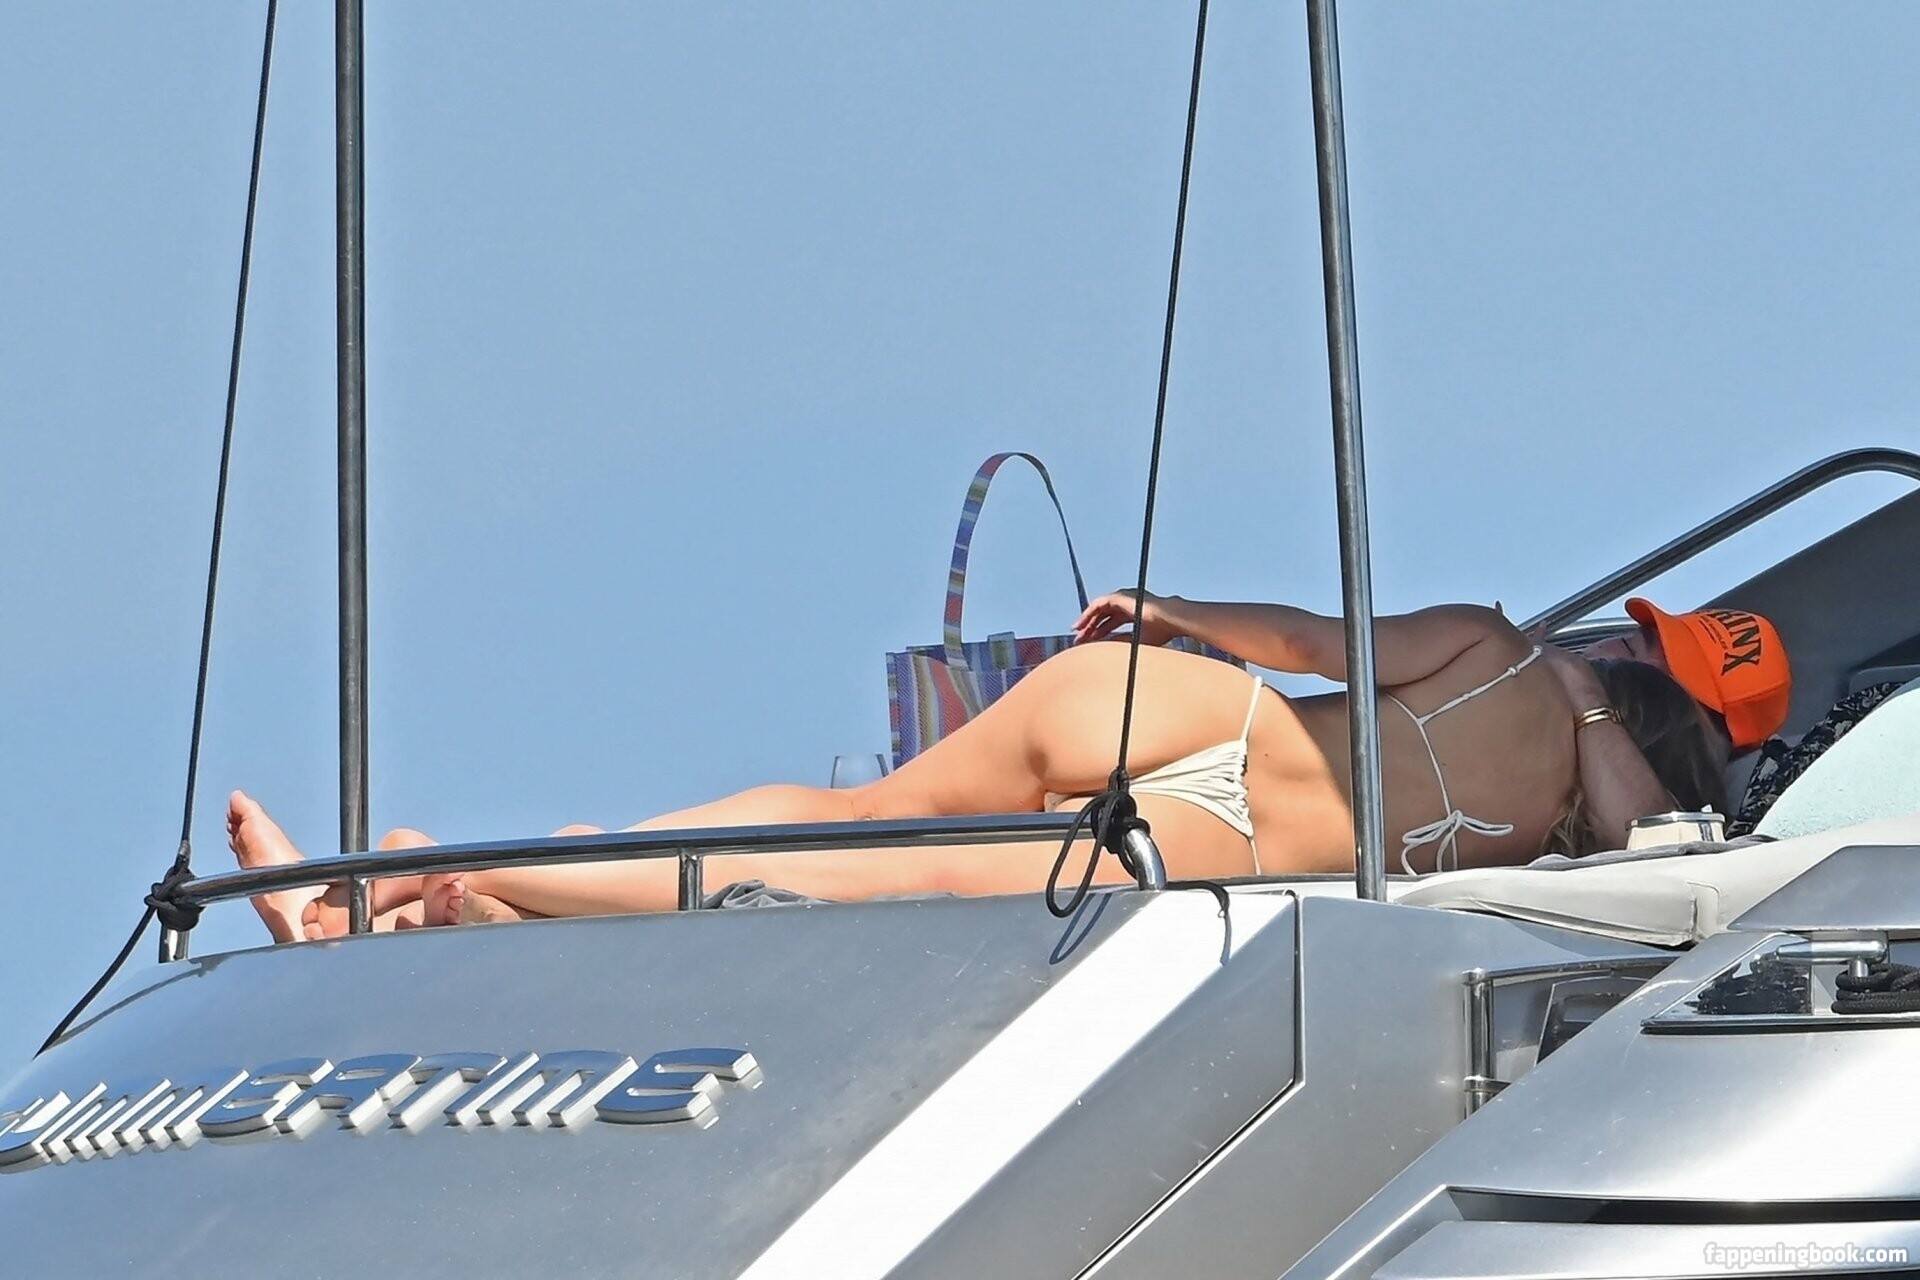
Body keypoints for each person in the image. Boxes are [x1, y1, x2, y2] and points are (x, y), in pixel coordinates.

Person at [228, 594, 1779, 941]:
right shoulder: (1585, 818)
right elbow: (1656, 843)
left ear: (1648, 654)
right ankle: (458, 873)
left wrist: (1176, 610)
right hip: (1195, 840)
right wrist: (1598, 729)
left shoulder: (1497, 645)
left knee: (848, 818)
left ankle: (458, 894)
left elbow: (1313, 639)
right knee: (857, 880)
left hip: (1165, 715)